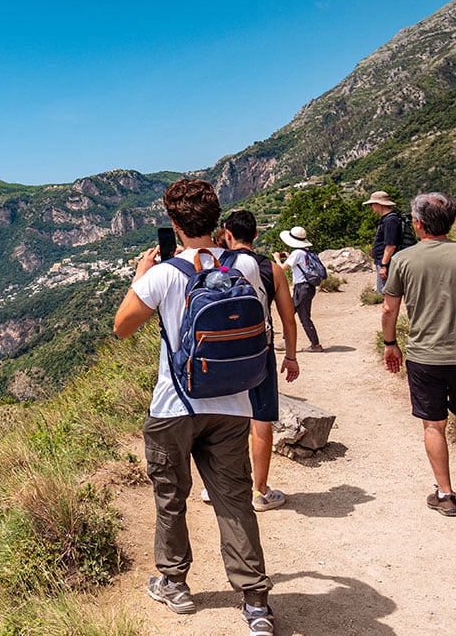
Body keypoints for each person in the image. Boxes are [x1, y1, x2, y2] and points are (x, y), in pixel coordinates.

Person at [114, 178, 274, 635]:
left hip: (175, 404)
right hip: (233, 403)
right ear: (217, 221)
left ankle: (175, 583)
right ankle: (256, 602)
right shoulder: (241, 270)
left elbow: (122, 327)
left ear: (173, 224)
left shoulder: (165, 275)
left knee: (171, 499)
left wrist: (140, 276)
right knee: (235, 501)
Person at [381, 192, 456, 517]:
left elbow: (389, 309)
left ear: (417, 223)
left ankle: (445, 495)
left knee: (434, 426)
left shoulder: (403, 260)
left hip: (424, 355)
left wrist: (390, 344)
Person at [222, 210, 300, 511]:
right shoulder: (271, 268)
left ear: (228, 234)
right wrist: (291, 356)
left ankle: (226, 486)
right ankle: (260, 491)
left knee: (227, 419)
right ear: (256, 235)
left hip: (224, 355)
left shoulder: (218, 265)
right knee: (260, 418)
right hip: (260, 352)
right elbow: (288, 319)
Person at [273, 227, 323, 352]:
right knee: (289, 312)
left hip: (302, 288)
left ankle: (316, 345)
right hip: (306, 288)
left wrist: (277, 259)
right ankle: (286, 341)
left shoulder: (297, 253)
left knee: (303, 316)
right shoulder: (306, 252)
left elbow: (282, 268)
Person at [363, 190, 402, 294]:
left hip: (386, 263)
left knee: (385, 293)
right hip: (383, 261)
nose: (371, 207)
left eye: (372, 204)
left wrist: (384, 265)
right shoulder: (388, 219)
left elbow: (391, 245)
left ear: (379, 204)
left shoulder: (390, 221)